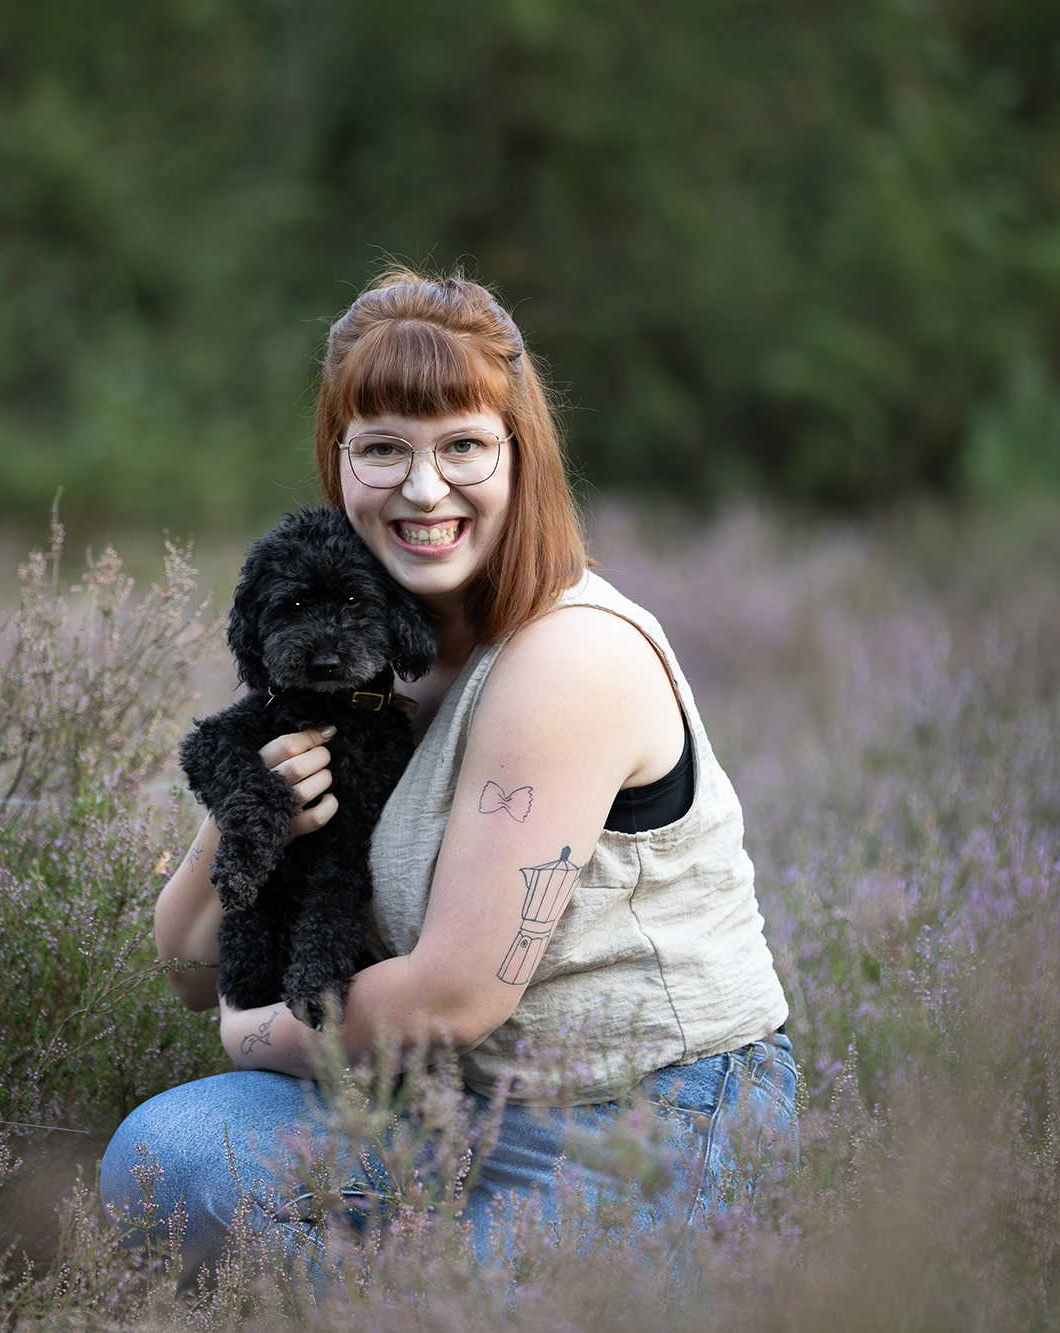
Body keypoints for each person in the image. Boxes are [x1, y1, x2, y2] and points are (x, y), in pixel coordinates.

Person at [99, 268, 794, 1273]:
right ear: (338, 464)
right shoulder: (370, 660)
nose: (423, 489)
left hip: (639, 1117)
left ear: (520, 457)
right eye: (383, 448)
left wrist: (247, 1034)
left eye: (462, 444)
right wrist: (256, 803)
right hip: (434, 1105)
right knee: (167, 1163)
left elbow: (449, 1000)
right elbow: (180, 964)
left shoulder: (568, 656)